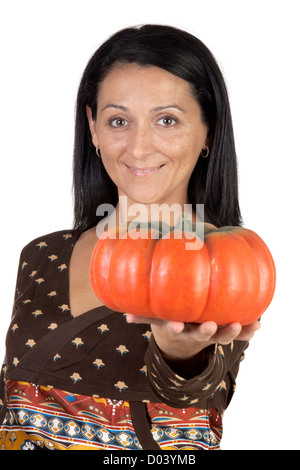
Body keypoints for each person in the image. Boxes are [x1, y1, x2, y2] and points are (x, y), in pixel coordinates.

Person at [0, 24, 260, 451]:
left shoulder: (232, 262)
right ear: (94, 128)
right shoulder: (42, 254)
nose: (138, 148)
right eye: (118, 120)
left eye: (166, 120)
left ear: (208, 131)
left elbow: (198, 392)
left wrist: (179, 353)